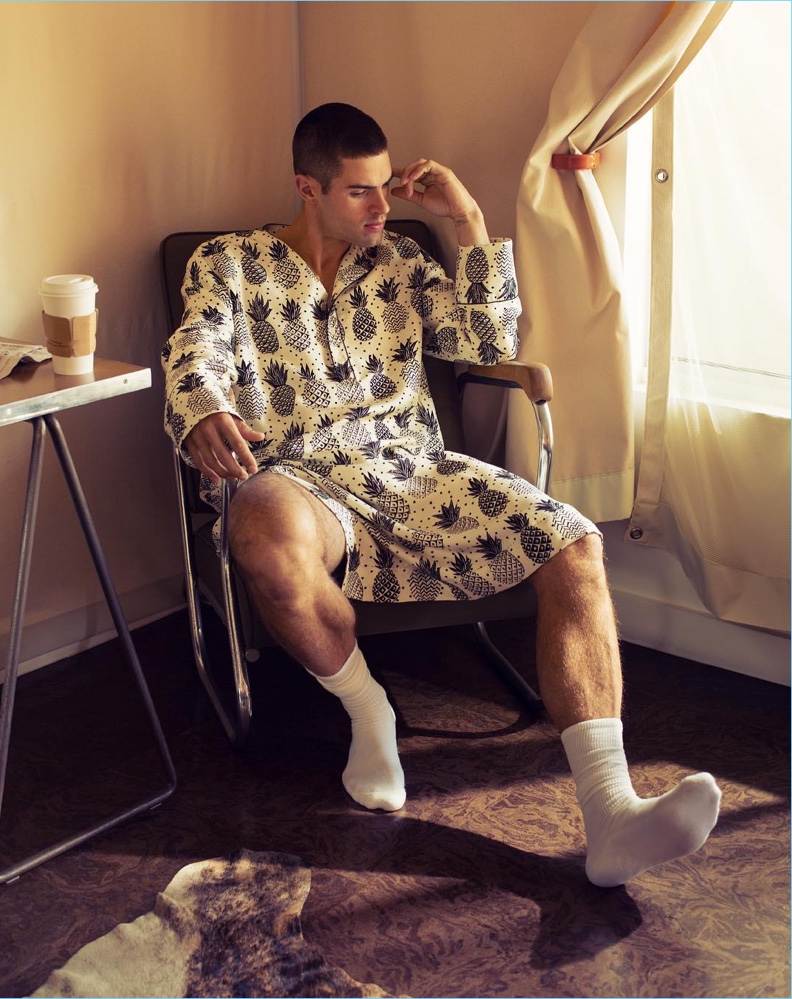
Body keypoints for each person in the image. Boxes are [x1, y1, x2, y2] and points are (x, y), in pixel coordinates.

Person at [162, 102, 721, 888]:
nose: (381, 207)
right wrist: (204, 408)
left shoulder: (400, 259)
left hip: (415, 470)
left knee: (575, 543)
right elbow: (199, 343)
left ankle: (612, 812)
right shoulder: (229, 262)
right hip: (301, 474)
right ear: (308, 187)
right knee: (257, 520)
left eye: (385, 188)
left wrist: (468, 219)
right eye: (360, 191)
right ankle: (369, 711)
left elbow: (487, 345)